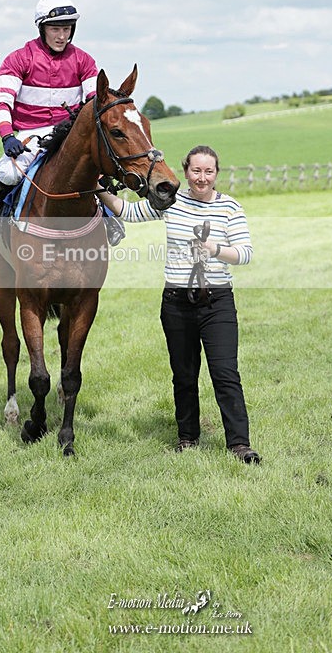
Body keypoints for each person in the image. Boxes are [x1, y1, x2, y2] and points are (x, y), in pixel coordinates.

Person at [99, 145, 260, 463]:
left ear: (216, 173)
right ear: (186, 172)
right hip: (176, 302)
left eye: (209, 171)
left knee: (225, 373)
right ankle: (188, 438)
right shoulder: (171, 202)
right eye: (196, 171)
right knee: (184, 374)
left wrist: (215, 249)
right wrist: (100, 190)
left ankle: (239, 444)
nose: (202, 178)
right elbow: (130, 212)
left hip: (217, 303)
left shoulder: (230, 207)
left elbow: (245, 252)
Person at [0, 0, 104, 246]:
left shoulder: (84, 60)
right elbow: (1, 101)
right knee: (7, 173)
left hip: (68, 134)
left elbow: (95, 100)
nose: (61, 36)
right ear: (42, 28)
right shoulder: (18, 59)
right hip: (29, 134)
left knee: (97, 171)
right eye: (55, 29)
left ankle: (109, 219)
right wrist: (7, 135)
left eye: (66, 29)